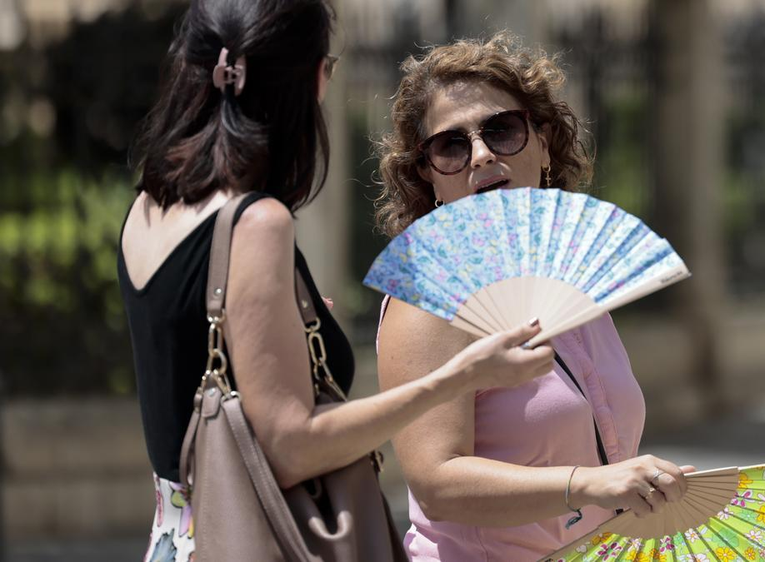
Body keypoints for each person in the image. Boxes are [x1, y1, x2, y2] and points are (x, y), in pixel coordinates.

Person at [118, 3, 554, 560]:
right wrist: (456, 377)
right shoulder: (256, 222)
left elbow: (186, 358)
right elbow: (293, 448)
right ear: (311, 77)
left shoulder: (150, 205)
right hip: (254, 535)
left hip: (178, 538)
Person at [374, 31, 696, 561]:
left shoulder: (569, 280)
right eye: (451, 145)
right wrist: (589, 483)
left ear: (543, 143)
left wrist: (643, 485)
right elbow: (437, 481)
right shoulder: (429, 292)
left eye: (502, 130)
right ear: (428, 174)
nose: (480, 154)